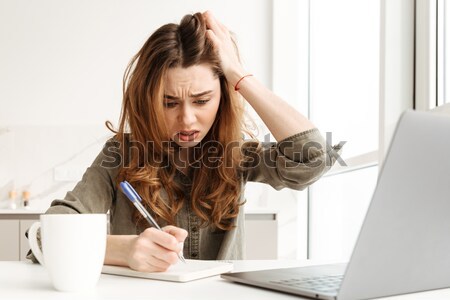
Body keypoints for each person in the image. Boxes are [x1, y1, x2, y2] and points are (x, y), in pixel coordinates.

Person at [28, 11, 342, 272]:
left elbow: (312, 158)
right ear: (148, 101)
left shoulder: (237, 154)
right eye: (169, 103)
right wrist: (120, 250)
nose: (187, 119)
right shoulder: (120, 153)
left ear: (223, 94)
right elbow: (44, 238)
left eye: (202, 99)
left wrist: (238, 74)